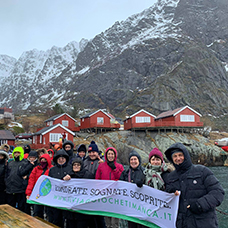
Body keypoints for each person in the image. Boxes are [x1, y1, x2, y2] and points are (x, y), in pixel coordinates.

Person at [164, 142, 225, 228]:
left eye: (180, 155)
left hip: (203, 222)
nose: (178, 158)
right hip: (181, 223)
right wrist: (171, 194)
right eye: (175, 156)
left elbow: (218, 192)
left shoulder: (202, 171)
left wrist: (199, 205)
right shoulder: (170, 177)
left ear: (186, 155)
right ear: (171, 159)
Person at [96, 147, 124, 228]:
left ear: (115, 155)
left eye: (112, 154)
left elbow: (121, 179)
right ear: (106, 155)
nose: (110, 156)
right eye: (109, 154)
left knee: (115, 223)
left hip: (116, 198)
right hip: (105, 196)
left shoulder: (119, 166)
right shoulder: (101, 166)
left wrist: (114, 169)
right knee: (107, 222)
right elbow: (97, 180)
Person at [63, 158, 94, 228]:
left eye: (78, 165)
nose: (76, 166)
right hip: (70, 211)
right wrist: (64, 180)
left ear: (81, 166)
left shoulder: (87, 175)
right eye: (74, 165)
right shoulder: (68, 175)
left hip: (82, 211)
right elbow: (62, 188)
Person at [119, 150, 146, 228]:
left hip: (141, 206)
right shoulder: (126, 173)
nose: (133, 161)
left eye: (135, 159)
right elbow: (120, 186)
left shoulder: (144, 172)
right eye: (131, 159)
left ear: (139, 160)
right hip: (130, 205)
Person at [47, 149, 72, 227]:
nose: (61, 160)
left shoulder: (70, 168)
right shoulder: (52, 170)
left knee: (68, 220)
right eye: (59, 158)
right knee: (56, 219)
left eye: (63, 158)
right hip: (56, 198)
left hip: (67, 198)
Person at [26, 153, 53, 219]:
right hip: (37, 193)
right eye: (42, 160)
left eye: (45, 160)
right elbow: (31, 181)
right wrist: (28, 193)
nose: (43, 161)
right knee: (37, 212)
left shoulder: (52, 169)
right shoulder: (36, 169)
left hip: (48, 194)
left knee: (49, 213)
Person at [5, 147, 28, 212]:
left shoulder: (25, 163)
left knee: (21, 208)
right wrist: (7, 182)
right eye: (15, 153)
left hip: (20, 189)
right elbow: (7, 173)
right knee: (10, 208)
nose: (16, 154)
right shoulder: (10, 163)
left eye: (18, 153)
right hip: (10, 188)